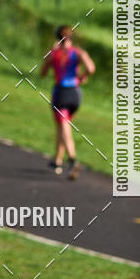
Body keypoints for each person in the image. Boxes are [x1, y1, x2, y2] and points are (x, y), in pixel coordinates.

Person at [40, 25, 95, 179]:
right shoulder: (78, 52)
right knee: (62, 126)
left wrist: (50, 53)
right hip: (75, 94)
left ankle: (72, 158)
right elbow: (91, 68)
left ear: (57, 37)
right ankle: (57, 160)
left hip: (61, 93)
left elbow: (43, 73)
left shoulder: (54, 54)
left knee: (64, 126)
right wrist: (82, 76)